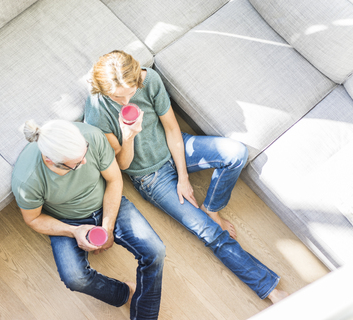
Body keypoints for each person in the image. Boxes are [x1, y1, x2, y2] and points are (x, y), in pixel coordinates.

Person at [84, 50, 289, 303]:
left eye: (131, 93)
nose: (127, 102)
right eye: (118, 97)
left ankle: (212, 207)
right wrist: (129, 137)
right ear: (104, 91)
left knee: (236, 153)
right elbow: (122, 165)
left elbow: (171, 128)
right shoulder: (96, 112)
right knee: (210, 232)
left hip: (176, 145)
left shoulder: (149, 81)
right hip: (150, 176)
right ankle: (271, 290)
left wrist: (183, 178)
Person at [11, 119, 166, 319]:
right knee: (75, 278)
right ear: (50, 161)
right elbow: (33, 220)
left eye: (84, 153)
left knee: (156, 251)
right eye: (76, 163)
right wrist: (74, 231)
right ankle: (124, 293)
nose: (84, 162)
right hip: (66, 220)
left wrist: (107, 227)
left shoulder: (91, 136)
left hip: (106, 201)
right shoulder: (27, 180)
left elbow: (114, 179)